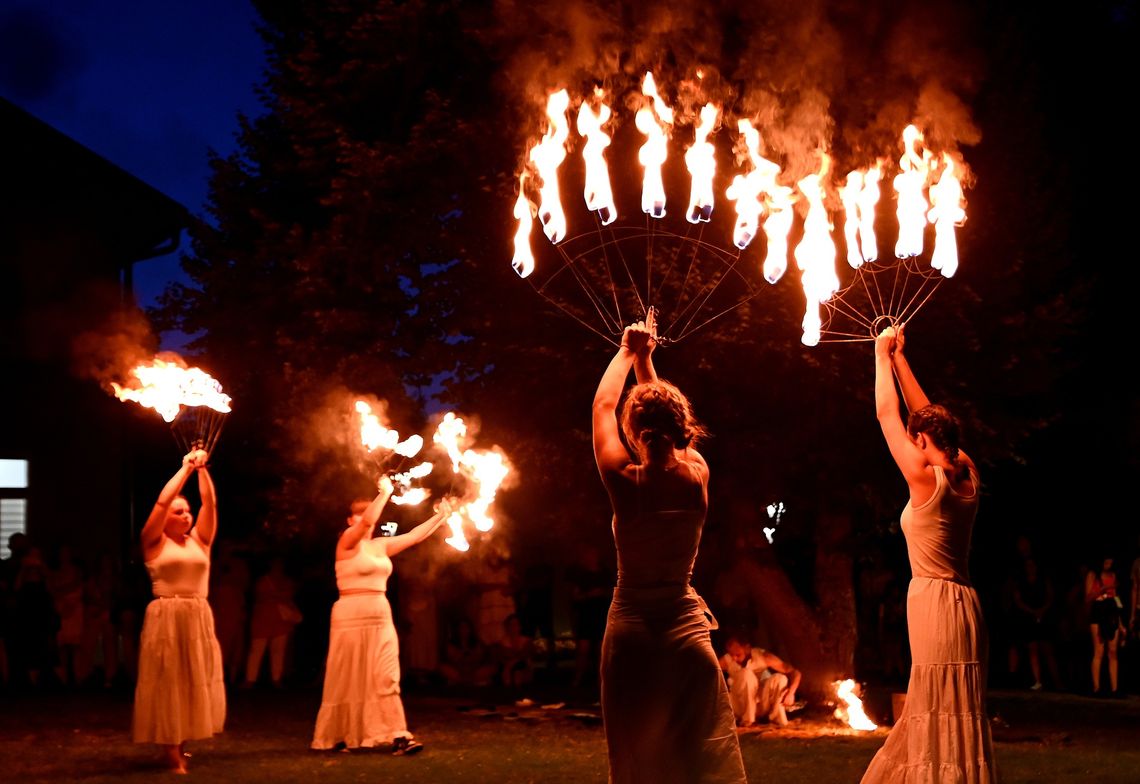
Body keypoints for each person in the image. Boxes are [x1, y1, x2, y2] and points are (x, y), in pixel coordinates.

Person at [592, 310, 747, 783]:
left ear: (634, 430)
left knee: (640, 755)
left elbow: (601, 408)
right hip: (686, 637)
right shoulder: (697, 473)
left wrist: (626, 351)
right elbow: (664, 427)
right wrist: (647, 363)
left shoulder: (624, 478)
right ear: (683, 427)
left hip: (633, 632)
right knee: (695, 760)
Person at [860, 325, 997, 783]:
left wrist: (881, 356)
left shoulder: (925, 478)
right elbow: (925, 415)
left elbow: (887, 414)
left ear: (921, 441)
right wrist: (902, 358)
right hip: (966, 604)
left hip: (934, 603)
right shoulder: (967, 472)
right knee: (957, 704)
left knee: (937, 701)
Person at [310, 477, 452, 755]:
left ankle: (398, 734)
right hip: (350, 614)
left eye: (369, 514)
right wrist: (385, 492)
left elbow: (414, 536)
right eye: (360, 515)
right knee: (348, 675)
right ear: (350, 520)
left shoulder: (379, 546)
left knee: (387, 674)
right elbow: (365, 524)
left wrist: (441, 517)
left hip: (379, 613)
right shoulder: (346, 544)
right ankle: (341, 735)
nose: (367, 519)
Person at [132, 449, 224, 774]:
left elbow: (210, 505)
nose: (185, 516)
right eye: (178, 512)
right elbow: (160, 503)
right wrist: (185, 469)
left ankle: (180, 746)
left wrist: (202, 471)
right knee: (168, 680)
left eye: (187, 511)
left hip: (197, 614)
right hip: (166, 616)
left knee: (190, 679)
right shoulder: (153, 541)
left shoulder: (200, 540)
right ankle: (172, 755)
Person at [718, 634, 802, 727]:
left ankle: (777, 719)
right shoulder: (727, 660)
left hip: (760, 703)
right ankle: (747, 721)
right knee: (746, 674)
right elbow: (708, 673)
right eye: (731, 655)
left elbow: (795, 672)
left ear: (747, 648)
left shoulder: (763, 656)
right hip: (740, 706)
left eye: (738, 655)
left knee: (780, 679)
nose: (734, 658)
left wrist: (791, 693)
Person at [242, 555, 300, 689]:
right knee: (257, 650)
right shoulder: (263, 581)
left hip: (280, 621)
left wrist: (274, 596)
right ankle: (250, 679)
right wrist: (279, 596)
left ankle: (276, 679)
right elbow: (262, 596)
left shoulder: (286, 581)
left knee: (278, 651)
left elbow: (287, 595)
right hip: (263, 620)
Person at [1085, 555, 1126, 696]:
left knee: (1113, 651)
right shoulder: (1092, 574)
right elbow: (1088, 598)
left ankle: (1115, 689)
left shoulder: (1113, 575)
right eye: (1106, 561)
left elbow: (1117, 598)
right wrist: (1102, 588)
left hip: (1112, 611)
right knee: (1099, 651)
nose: (1109, 563)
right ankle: (1096, 688)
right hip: (1098, 610)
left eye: (1111, 561)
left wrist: (1121, 623)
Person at [438, 616, 498, 687]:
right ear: (457, 630)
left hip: (475, 671)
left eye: (466, 628)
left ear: (470, 629)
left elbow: (479, 658)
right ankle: (462, 681)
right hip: (458, 672)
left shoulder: (477, 643)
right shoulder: (451, 644)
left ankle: (470, 681)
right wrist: (462, 655)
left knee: (492, 668)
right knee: (442, 668)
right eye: (462, 628)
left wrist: (470, 656)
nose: (464, 630)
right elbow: (453, 658)